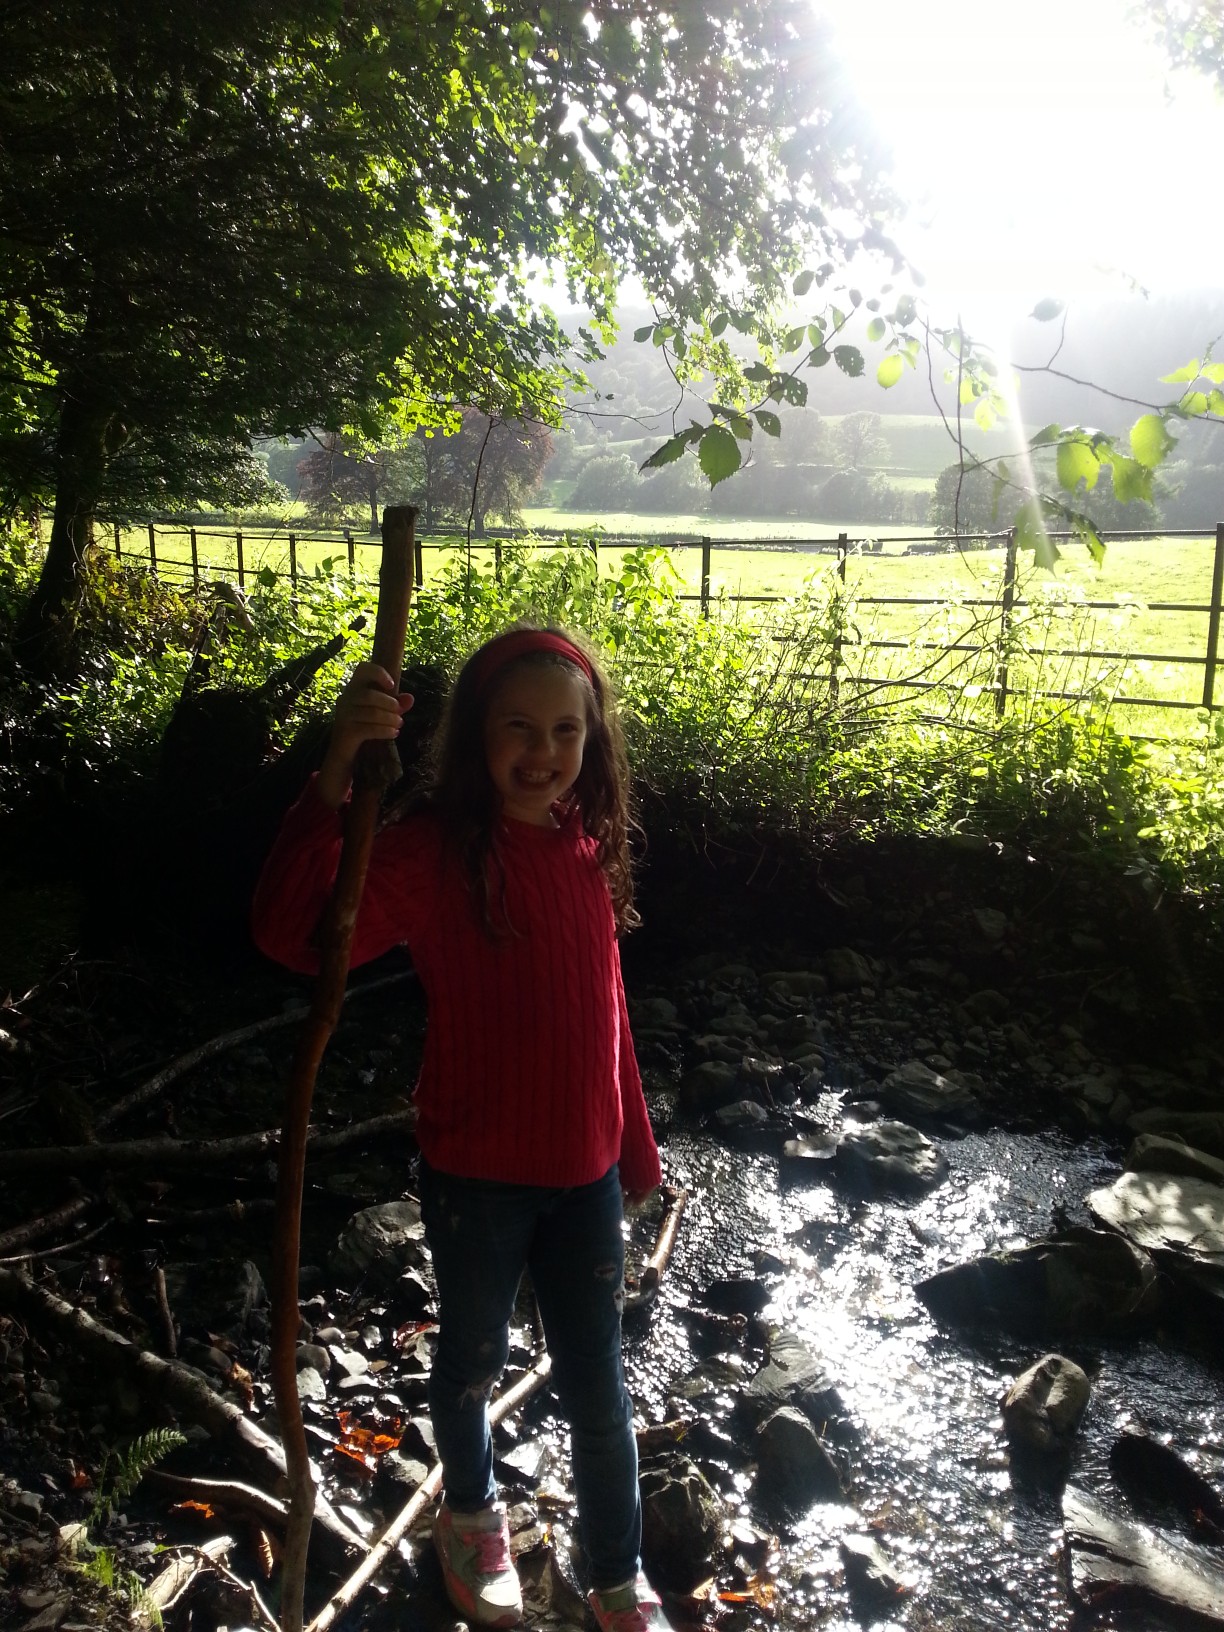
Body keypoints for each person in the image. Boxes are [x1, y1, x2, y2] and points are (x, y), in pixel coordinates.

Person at [252, 624, 672, 1632]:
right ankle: (470, 1518)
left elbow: (607, 1011)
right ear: (476, 735)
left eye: (566, 730)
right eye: (518, 727)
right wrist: (336, 770)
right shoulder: (436, 853)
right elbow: (293, 932)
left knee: (598, 1385)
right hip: (478, 1178)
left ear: (593, 740)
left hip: (584, 1180)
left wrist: (634, 1147)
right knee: (474, 1361)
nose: (543, 751)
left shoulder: (584, 843)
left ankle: (617, 1575)